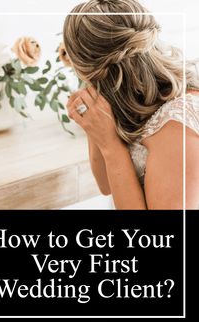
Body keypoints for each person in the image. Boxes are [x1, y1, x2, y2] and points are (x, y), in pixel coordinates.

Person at [64, 0, 199, 210]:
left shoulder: (177, 121)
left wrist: (111, 146)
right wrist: (94, 125)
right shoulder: (123, 102)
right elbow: (107, 185)